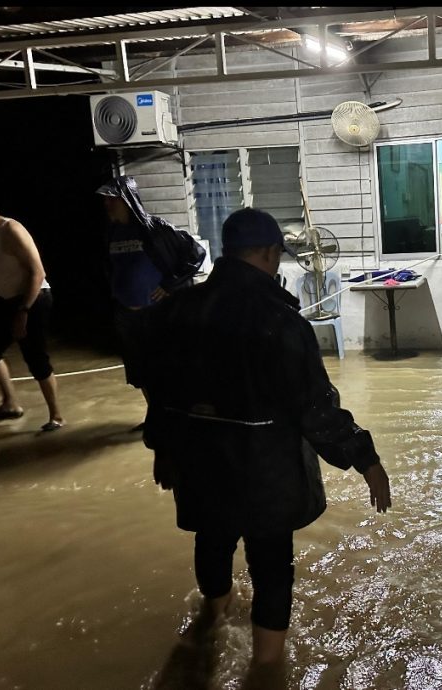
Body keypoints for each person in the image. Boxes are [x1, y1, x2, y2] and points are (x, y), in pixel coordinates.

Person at [128, 207, 392, 673]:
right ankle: (267, 668)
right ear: (271, 254)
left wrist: (163, 449)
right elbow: (315, 409)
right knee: (271, 563)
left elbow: (160, 394)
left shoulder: (173, 312)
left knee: (212, 540)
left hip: (198, 462)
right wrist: (366, 459)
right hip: (265, 469)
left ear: (228, 253)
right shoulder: (284, 324)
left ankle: (211, 619)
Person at [95, 175, 205, 431]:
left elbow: (196, 253)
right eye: (106, 200)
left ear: (128, 200)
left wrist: (170, 284)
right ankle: (155, 416)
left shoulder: (156, 229)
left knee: (167, 368)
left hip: (157, 314)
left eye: (113, 200)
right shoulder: (111, 233)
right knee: (140, 369)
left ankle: (179, 416)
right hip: (127, 315)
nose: (108, 205)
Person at [0, 184, 65, 431]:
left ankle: (56, 416)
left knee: (35, 358)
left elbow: (38, 273)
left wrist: (23, 312)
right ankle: (10, 404)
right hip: (9, 302)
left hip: (34, 298)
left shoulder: (11, 230)